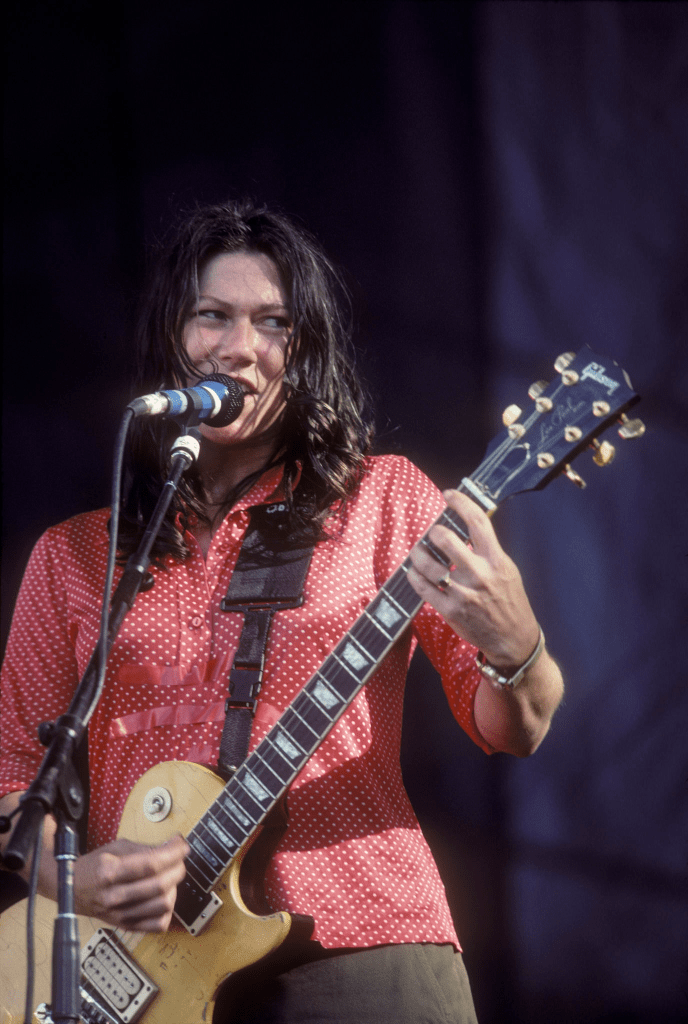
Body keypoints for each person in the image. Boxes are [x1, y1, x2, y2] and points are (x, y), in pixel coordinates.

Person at [0, 200, 563, 1023]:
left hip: (359, 940)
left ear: (304, 353)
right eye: (213, 316)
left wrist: (518, 648)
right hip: (144, 972)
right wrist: (72, 877)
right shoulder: (77, 555)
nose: (241, 347)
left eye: (274, 323)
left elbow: (515, 727)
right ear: (170, 338)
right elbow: (13, 776)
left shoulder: (384, 501)